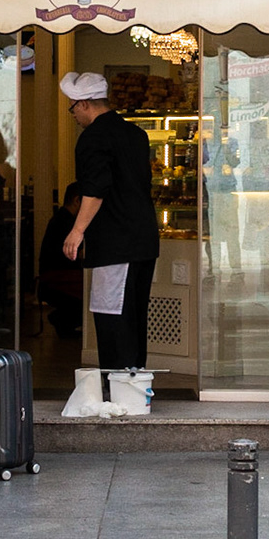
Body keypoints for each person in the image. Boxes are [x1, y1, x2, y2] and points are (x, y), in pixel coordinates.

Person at [59, 72, 160, 392]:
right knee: (134, 314)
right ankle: (135, 384)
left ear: (86, 104)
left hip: (115, 242)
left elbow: (96, 189)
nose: (73, 114)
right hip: (144, 238)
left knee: (110, 314)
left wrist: (76, 232)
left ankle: (118, 389)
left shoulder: (93, 138)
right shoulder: (136, 134)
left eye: (73, 107)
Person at [36, 183, 86, 337]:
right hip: (58, 278)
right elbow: (77, 255)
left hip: (52, 276)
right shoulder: (68, 223)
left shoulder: (60, 218)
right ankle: (62, 320)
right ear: (77, 201)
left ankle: (63, 321)